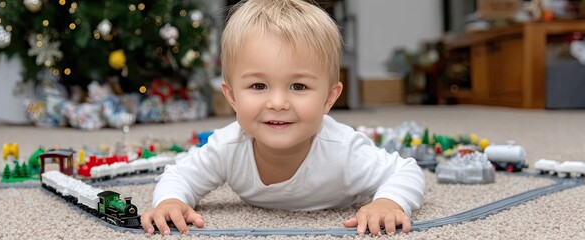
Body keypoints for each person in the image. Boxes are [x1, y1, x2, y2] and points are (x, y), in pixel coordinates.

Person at [141, 0, 425, 236]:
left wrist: (388, 202)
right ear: (232, 96)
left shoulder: (344, 151)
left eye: (299, 86)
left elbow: (406, 171)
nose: (277, 103)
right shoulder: (227, 147)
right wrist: (171, 201)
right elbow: (180, 174)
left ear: (329, 98)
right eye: (258, 86)